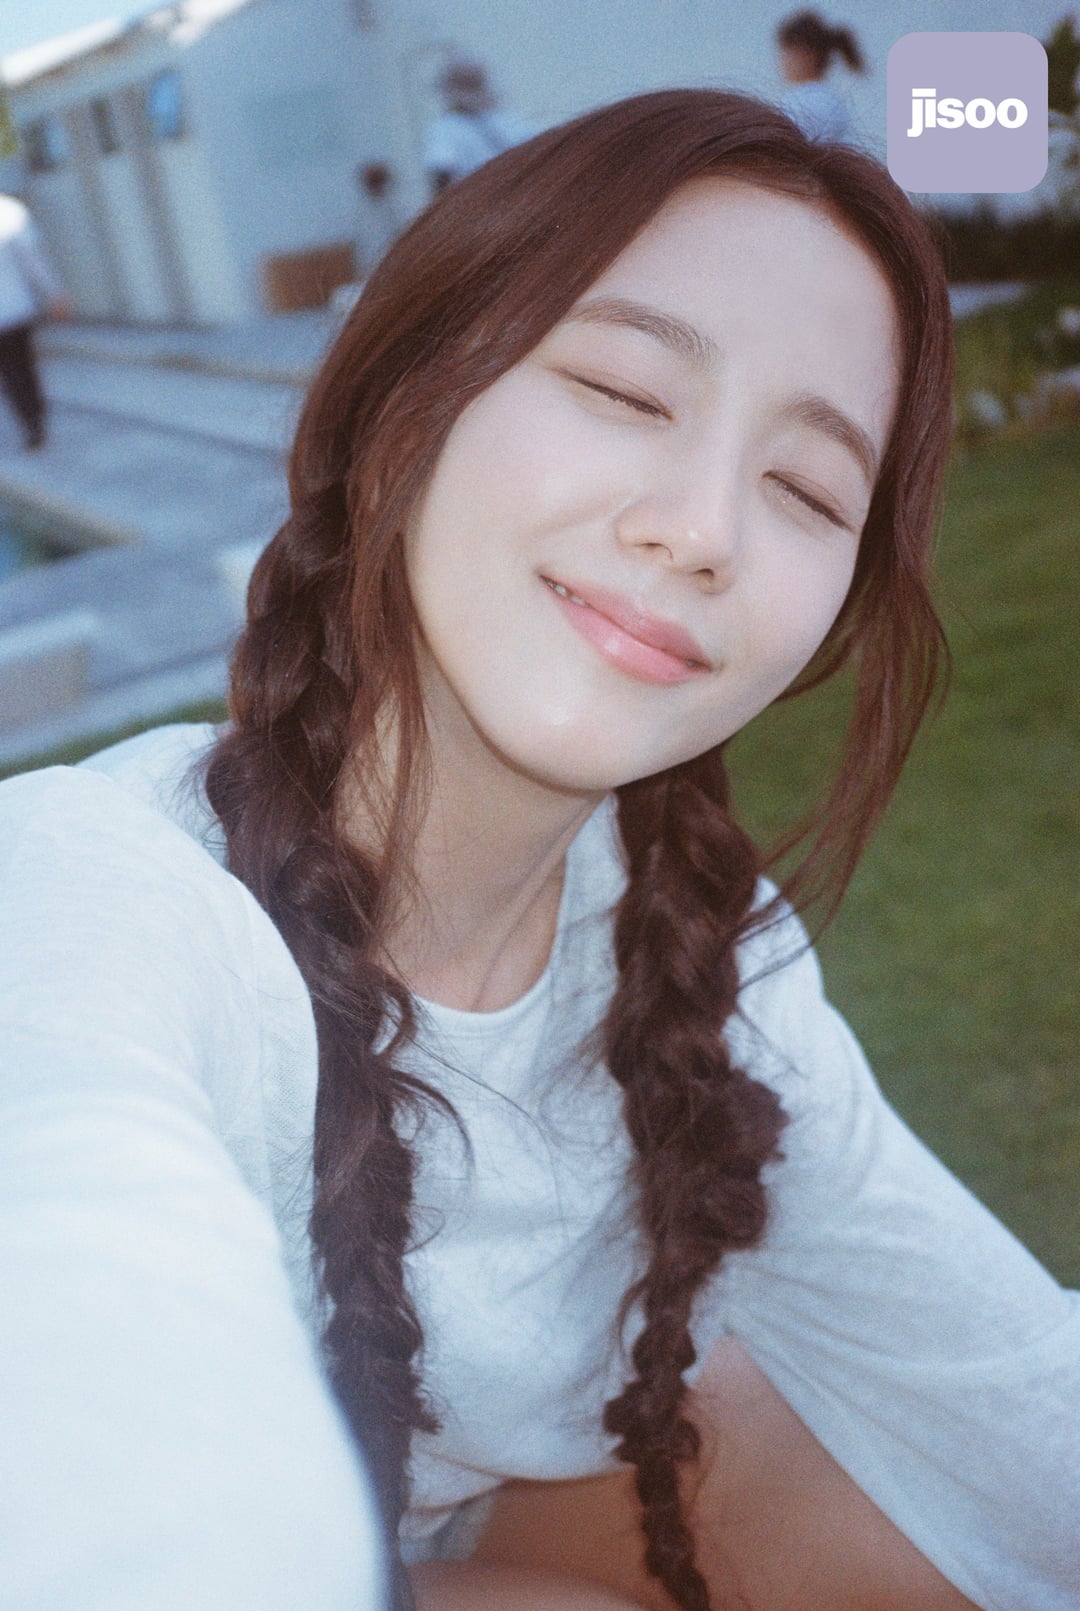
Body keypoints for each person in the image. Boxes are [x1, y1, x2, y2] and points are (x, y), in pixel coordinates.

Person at [0, 89, 1077, 1611]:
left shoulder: (701, 944)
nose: (704, 528)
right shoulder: (89, 896)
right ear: (408, 400)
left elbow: (999, 1372)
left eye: (806, 488)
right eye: (628, 390)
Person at [0, 191, 70, 450]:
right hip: (17, 309)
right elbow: (32, 261)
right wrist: (55, 295)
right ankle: (35, 419)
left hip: (13, 310)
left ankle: (30, 422)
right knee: (24, 366)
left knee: (10, 372)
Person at [421, 57, 537, 195]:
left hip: (476, 201)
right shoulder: (512, 121)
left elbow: (441, 172)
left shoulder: (444, 129)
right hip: (521, 196)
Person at [775, 9, 865, 145]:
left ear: (805, 55)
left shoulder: (808, 103)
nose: (781, 62)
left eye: (785, 54)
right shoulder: (826, 99)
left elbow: (784, 148)